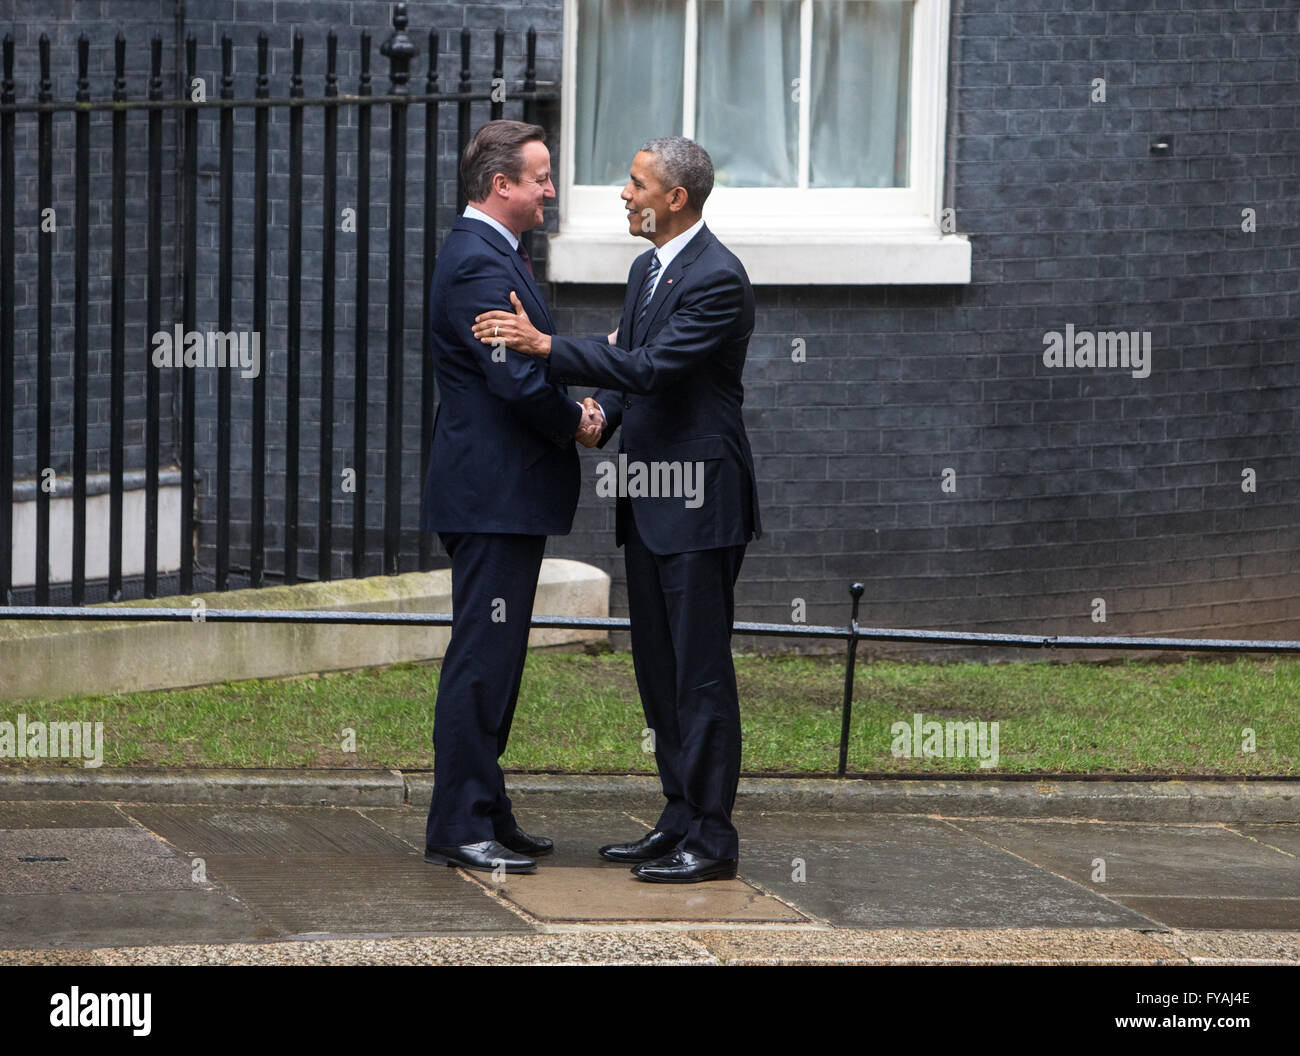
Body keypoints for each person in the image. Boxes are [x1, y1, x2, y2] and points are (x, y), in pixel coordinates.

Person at [472, 136, 761, 883]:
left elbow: (653, 367)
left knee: (700, 675)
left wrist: (544, 347)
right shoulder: (646, 270)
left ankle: (713, 838)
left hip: (701, 503)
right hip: (653, 499)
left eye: (637, 184)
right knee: (658, 671)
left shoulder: (718, 278)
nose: (624, 194)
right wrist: (596, 417)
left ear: (676, 200)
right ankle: (677, 815)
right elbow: (633, 380)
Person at [420, 120, 603, 875]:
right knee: (482, 660)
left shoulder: (495, 254)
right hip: (491, 496)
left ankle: (486, 806)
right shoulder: (475, 264)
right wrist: (581, 422)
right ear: (502, 187)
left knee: (498, 660)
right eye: (540, 177)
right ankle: (461, 823)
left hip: (501, 496)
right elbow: (518, 379)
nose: (550, 190)